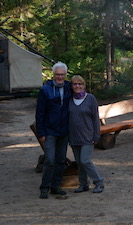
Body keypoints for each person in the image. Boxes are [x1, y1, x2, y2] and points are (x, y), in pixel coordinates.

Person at [35, 61, 71, 199]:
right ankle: (44, 188)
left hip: (64, 131)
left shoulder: (69, 87)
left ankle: (56, 186)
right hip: (50, 131)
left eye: (62, 75)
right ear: (53, 74)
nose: (60, 77)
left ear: (65, 75)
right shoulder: (45, 90)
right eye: (57, 74)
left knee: (61, 160)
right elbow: (40, 113)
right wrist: (41, 132)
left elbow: (81, 90)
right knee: (50, 160)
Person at [69, 75, 104, 193]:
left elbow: (95, 118)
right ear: (72, 86)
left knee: (85, 160)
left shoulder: (90, 99)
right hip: (74, 136)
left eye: (80, 84)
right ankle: (83, 184)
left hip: (88, 136)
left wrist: (96, 135)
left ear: (84, 85)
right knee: (79, 162)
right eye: (75, 84)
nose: (78, 86)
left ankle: (99, 182)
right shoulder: (69, 99)